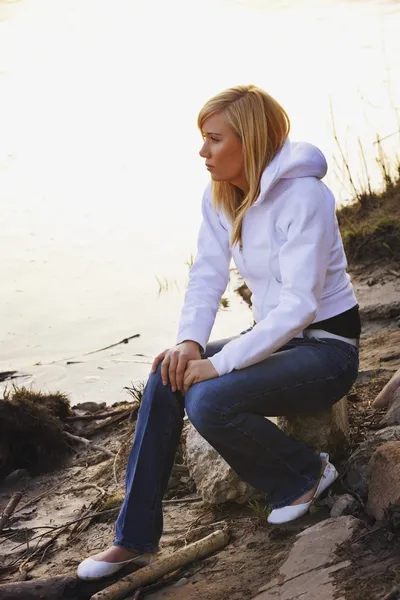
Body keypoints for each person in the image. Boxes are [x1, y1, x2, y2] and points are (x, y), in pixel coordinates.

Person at [77, 85, 360, 580]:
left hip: (327, 350)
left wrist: (218, 363)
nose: (202, 151)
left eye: (214, 139)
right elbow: (206, 275)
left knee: (209, 399)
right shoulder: (221, 197)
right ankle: (134, 539)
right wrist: (189, 343)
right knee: (168, 374)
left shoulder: (306, 196)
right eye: (203, 139)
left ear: (249, 141)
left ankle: (303, 475)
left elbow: (299, 306)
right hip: (279, 342)